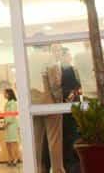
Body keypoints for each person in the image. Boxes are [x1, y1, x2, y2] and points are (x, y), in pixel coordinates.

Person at [27, 42, 65, 173]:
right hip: (49, 102)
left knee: (35, 141)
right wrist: (59, 101)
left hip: (32, 103)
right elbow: (55, 82)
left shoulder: (26, 58)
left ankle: (36, 169)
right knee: (54, 139)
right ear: (46, 45)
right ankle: (57, 170)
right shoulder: (49, 57)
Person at [59, 48, 82, 173]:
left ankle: (73, 163)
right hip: (65, 106)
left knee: (72, 134)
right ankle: (70, 164)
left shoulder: (70, 69)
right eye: (68, 55)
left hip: (72, 105)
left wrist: (73, 92)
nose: (70, 57)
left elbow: (77, 85)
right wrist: (69, 94)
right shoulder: (61, 70)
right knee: (69, 136)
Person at [3, 88, 20, 166]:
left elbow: (12, 115)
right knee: (8, 143)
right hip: (7, 126)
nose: (4, 95)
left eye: (5, 93)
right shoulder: (7, 103)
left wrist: (7, 123)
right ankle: (10, 158)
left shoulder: (13, 103)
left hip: (12, 125)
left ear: (9, 94)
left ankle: (16, 159)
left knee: (13, 142)